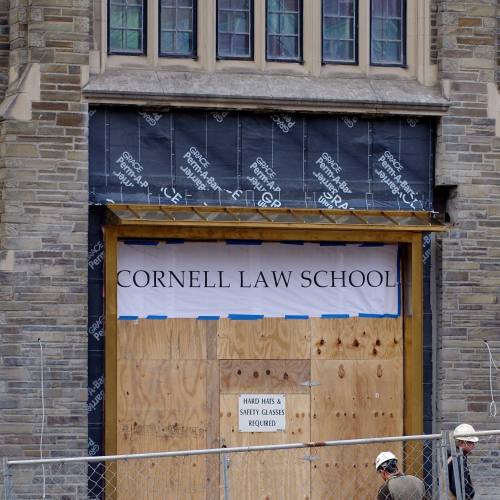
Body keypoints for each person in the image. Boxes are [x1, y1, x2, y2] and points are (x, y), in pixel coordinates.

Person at [447, 423, 478, 500]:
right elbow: (457, 487)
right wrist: (470, 493)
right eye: (470, 442)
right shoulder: (458, 458)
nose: (474, 445)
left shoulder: (457, 456)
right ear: (461, 442)